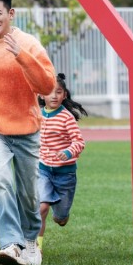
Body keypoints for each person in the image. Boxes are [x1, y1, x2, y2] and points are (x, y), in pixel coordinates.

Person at [0, 0, 56, 265]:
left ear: (11, 14)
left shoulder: (29, 43)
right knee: (0, 180)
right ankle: (11, 243)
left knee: (28, 193)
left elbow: (47, 86)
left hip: (27, 129)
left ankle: (30, 240)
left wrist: (21, 56)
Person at [36, 73, 87, 250]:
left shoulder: (66, 118)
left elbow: (79, 142)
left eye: (58, 92)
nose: (54, 96)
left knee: (60, 218)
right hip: (43, 170)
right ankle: (36, 248)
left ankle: (61, 215)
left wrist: (67, 152)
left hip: (65, 175)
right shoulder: (37, 114)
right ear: (42, 94)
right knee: (42, 208)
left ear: (64, 95)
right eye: (50, 92)